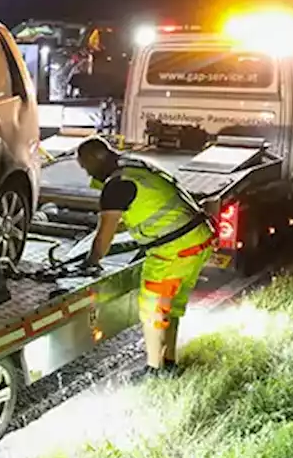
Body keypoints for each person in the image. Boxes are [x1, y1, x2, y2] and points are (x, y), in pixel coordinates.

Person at [76, 136, 216, 377]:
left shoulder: (115, 186)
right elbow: (142, 210)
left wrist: (91, 261)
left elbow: (103, 240)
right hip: (199, 239)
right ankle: (169, 363)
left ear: (95, 161)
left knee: (153, 310)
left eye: (85, 166)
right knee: (170, 308)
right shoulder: (135, 167)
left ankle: (154, 370)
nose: (86, 172)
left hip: (172, 251)